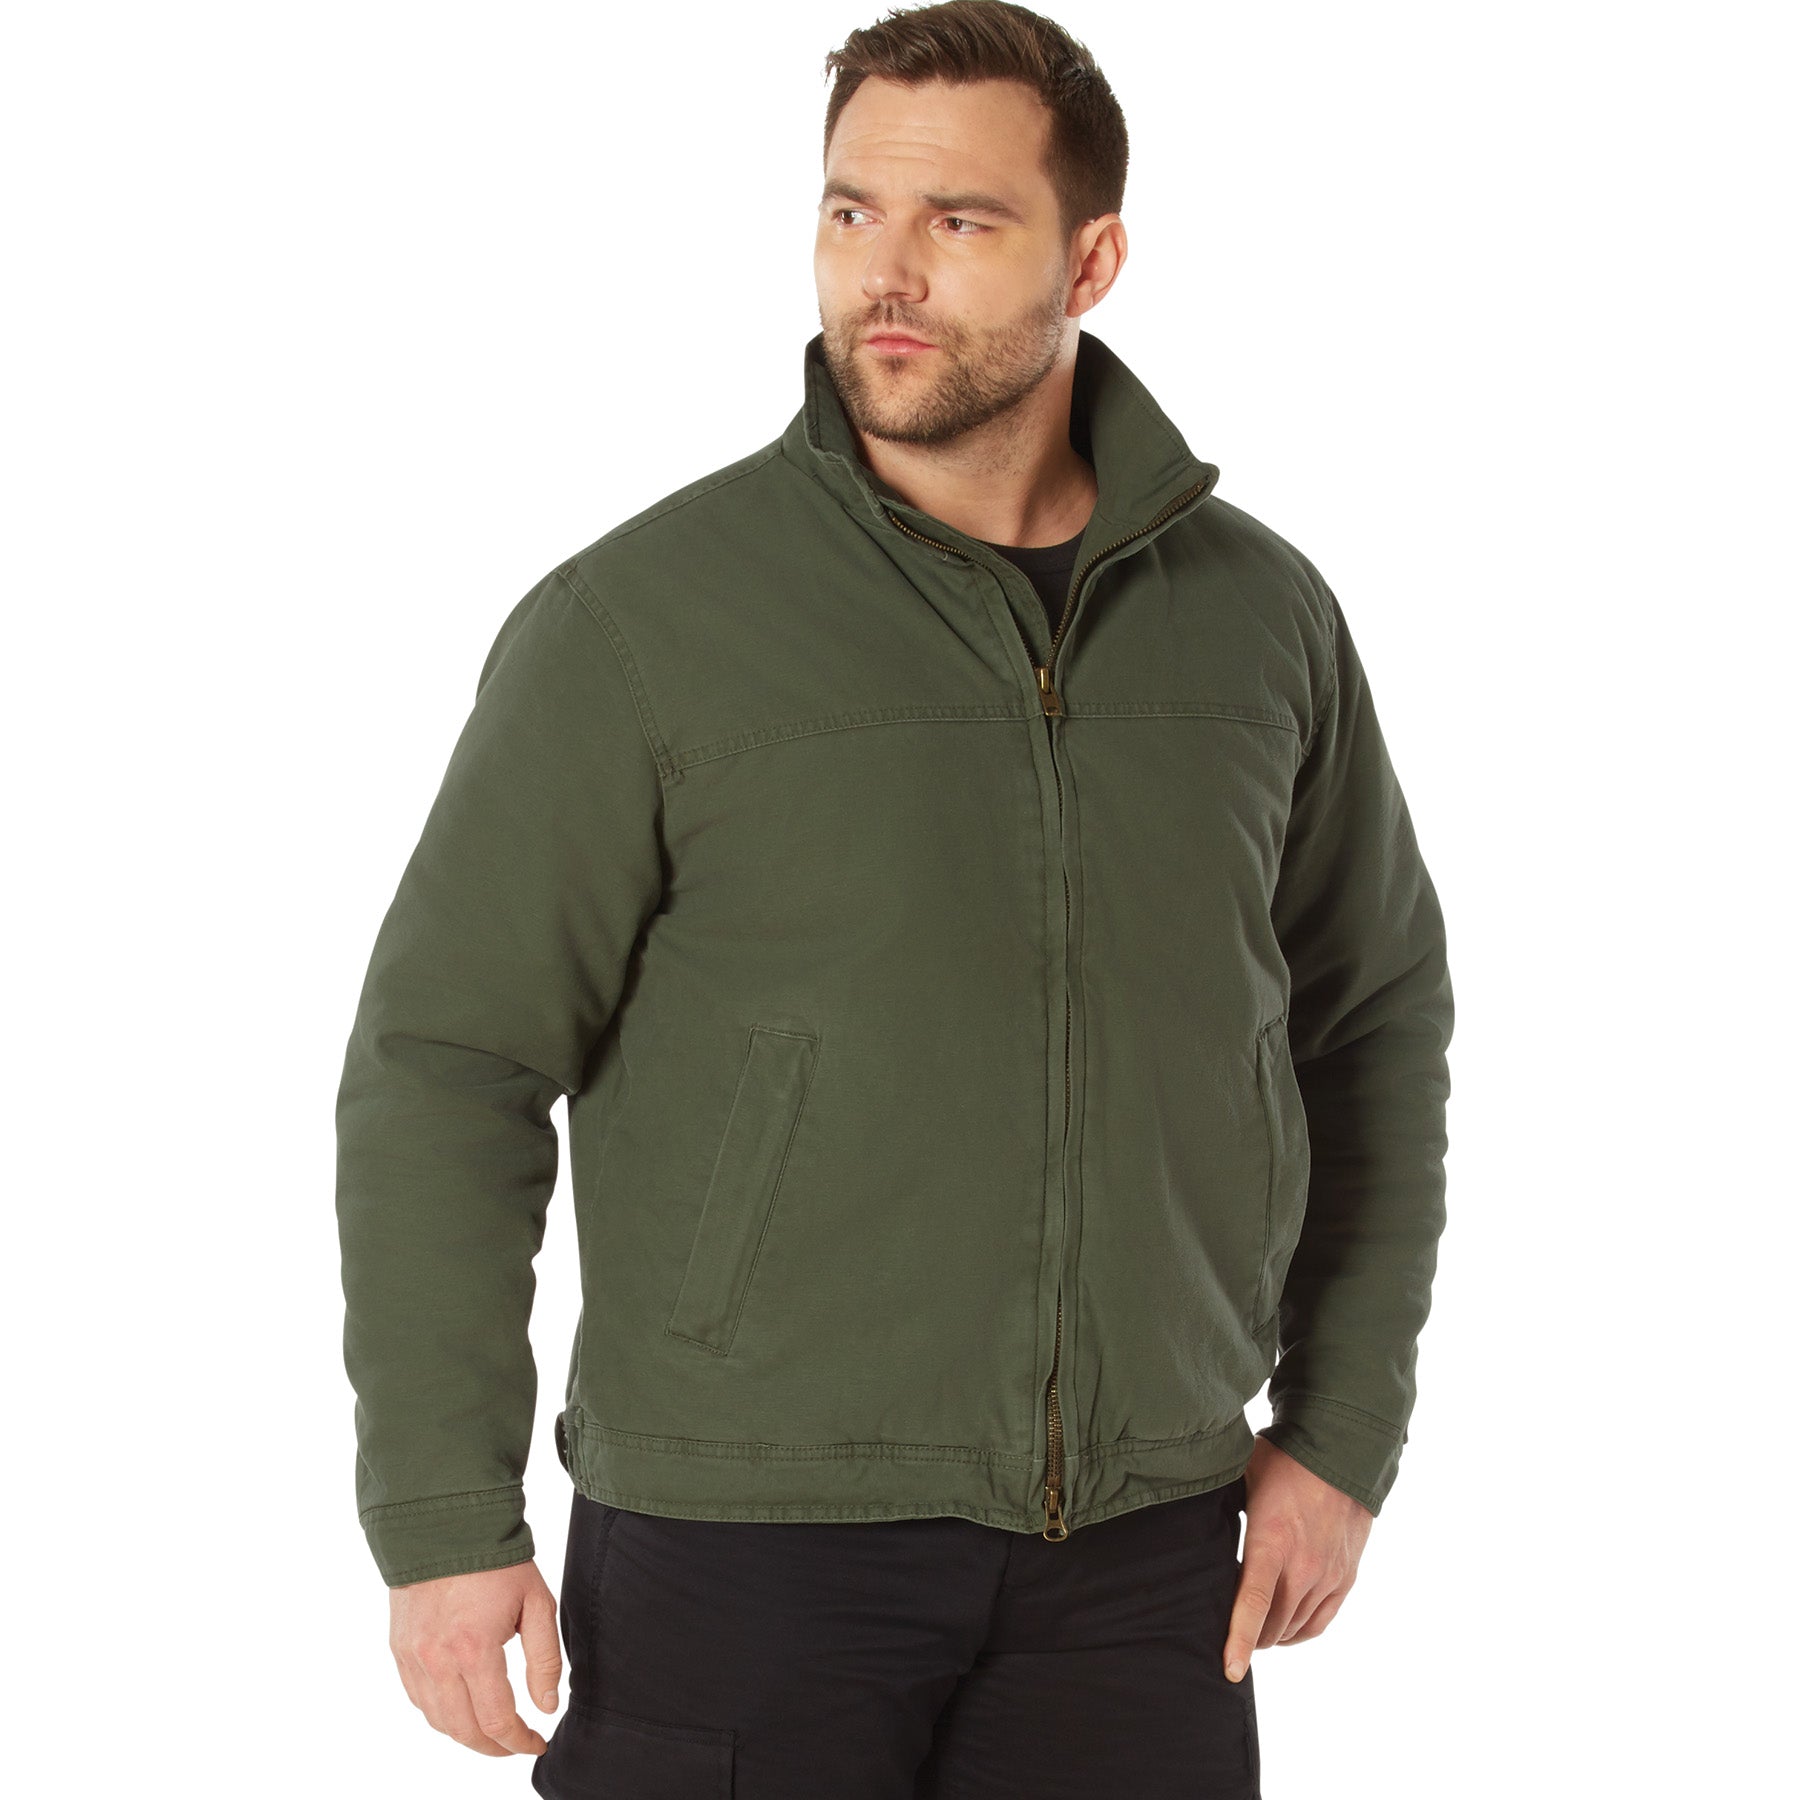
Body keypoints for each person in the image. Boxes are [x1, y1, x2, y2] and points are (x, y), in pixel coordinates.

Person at [334, 4, 1455, 1794]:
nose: (888, 275)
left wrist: (1340, 1433)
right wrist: (443, 1516)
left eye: (960, 221)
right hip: (743, 1543)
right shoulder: (643, 623)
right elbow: (448, 1062)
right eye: (852, 211)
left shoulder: (1260, 622)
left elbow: (1373, 1019)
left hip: (1146, 1551)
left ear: (1092, 259)